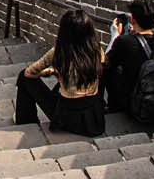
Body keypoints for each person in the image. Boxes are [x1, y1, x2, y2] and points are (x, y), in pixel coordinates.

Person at [14, 9, 106, 137]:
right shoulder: (97, 49)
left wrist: (49, 71)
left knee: (23, 76)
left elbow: (30, 73)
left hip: (67, 118)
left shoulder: (59, 51)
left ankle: (25, 120)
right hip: (93, 118)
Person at [103, 0, 154, 114]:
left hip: (132, 103)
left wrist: (115, 35)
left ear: (132, 19)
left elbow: (106, 63)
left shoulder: (125, 41)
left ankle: (113, 106)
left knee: (108, 69)